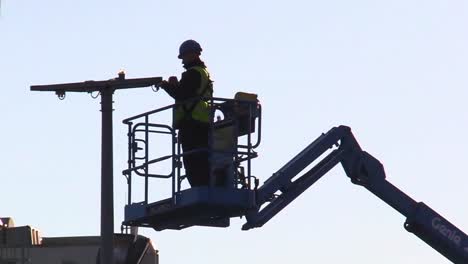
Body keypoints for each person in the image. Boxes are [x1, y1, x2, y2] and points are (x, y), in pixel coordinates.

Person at [158, 40, 213, 187]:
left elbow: (182, 94)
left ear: (193, 54)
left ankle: (199, 187)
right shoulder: (202, 72)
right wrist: (175, 86)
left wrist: (167, 86)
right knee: (199, 159)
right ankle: (202, 186)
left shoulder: (193, 73)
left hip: (193, 123)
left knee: (193, 160)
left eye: (184, 56)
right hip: (200, 123)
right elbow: (189, 92)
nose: (183, 59)